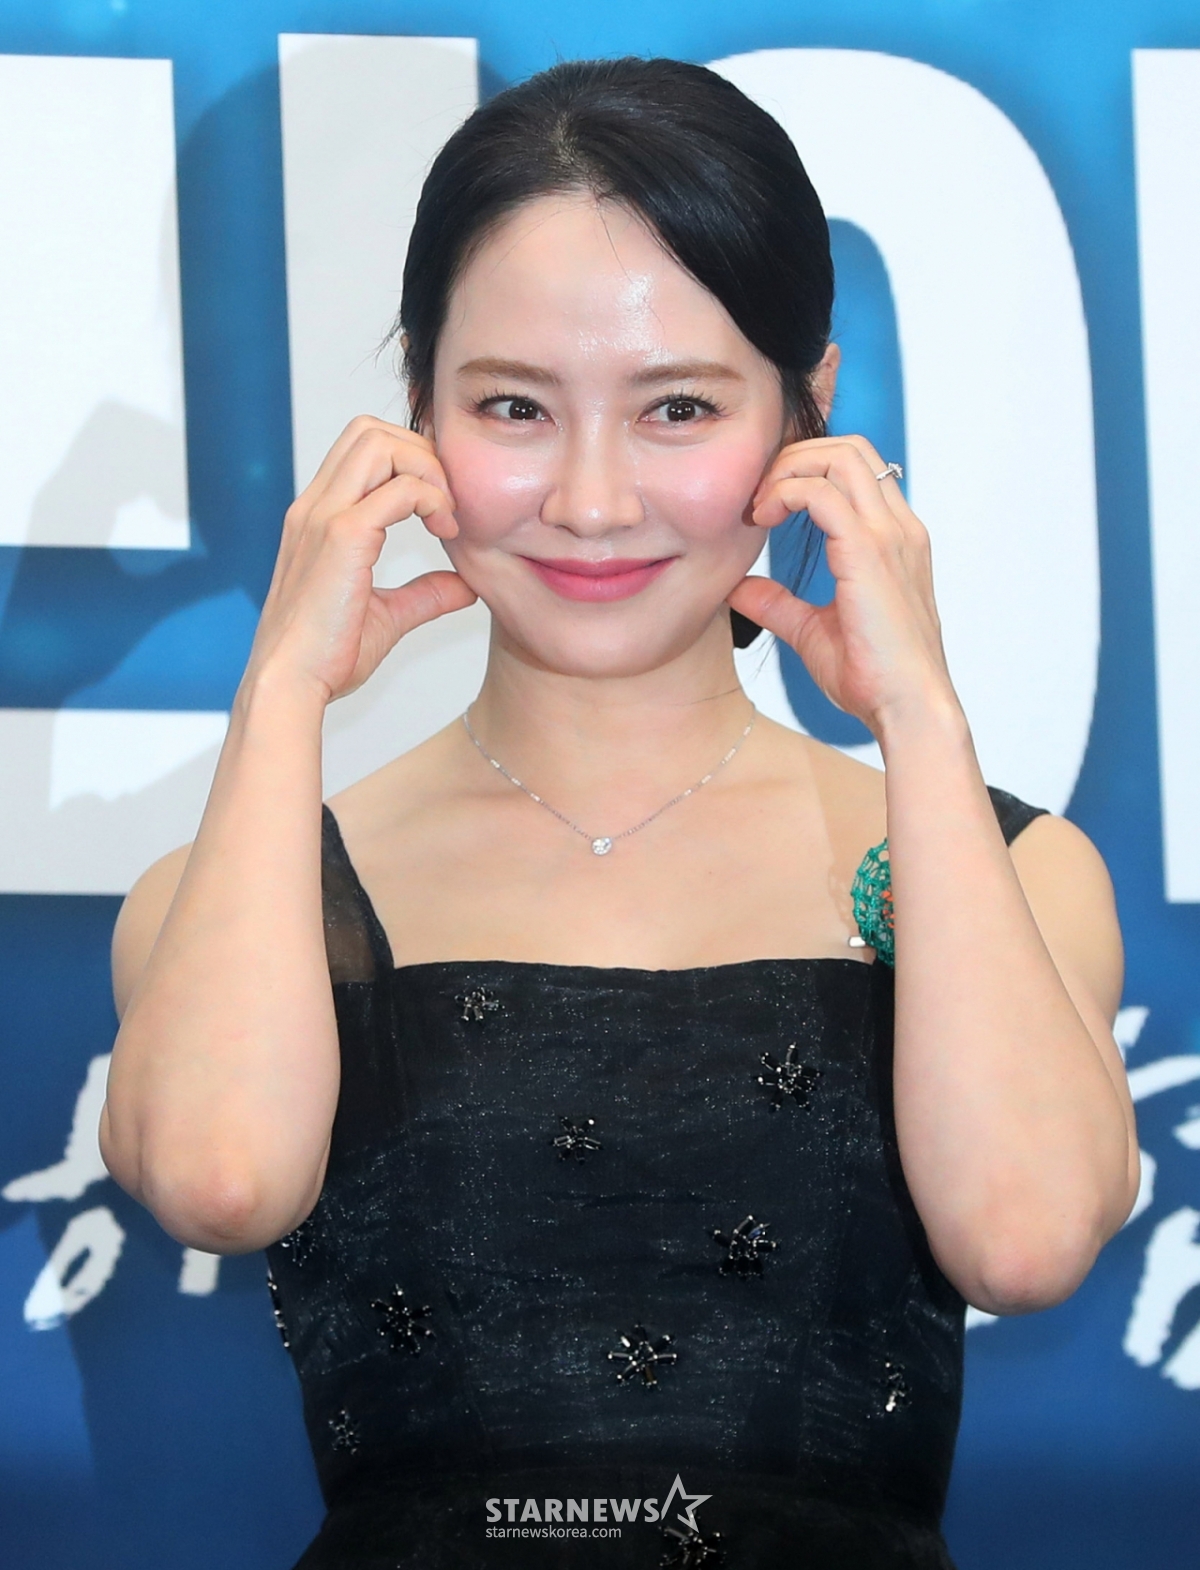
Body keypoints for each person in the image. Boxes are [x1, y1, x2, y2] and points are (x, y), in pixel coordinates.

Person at [100, 56, 1138, 1570]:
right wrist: (280, 695)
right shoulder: (241, 892)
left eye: (679, 408)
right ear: (413, 415)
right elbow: (218, 1175)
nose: (591, 501)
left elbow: (1025, 1239)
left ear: (810, 411)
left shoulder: (1013, 868)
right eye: (514, 406)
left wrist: (918, 715)